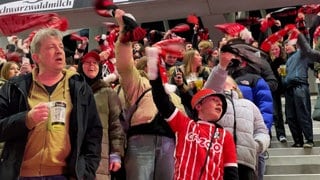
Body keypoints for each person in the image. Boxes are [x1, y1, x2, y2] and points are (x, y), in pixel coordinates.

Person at [0, 28, 103, 179]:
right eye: (51, 47)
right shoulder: (14, 87)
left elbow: (93, 132)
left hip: (64, 175)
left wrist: (85, 171)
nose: (59, 51)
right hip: (21, 175)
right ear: (36, 57)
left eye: (60, 46)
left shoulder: (80, 88)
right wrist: (26, 119)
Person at [146, 47, 239, 180]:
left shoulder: (225, 136)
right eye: (214, 100)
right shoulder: (185, 125)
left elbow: (231, 173)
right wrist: (153, 67)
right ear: (199, 105)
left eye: (222, 104)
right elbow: (161, 100)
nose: (220, 104)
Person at [114, 9, 186, 180]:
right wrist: (125, 37)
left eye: (159, 63)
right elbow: (124, 65)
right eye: (153, 63)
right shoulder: (138, 83)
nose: (158, 65)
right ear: (144, 68)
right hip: (141, 139)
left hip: (170, 142)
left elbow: (183, 120)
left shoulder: (172, 92)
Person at [78, 50, 125, 180]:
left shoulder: (108, 92)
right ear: (81, 66)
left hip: (101, 152)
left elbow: (116, 125)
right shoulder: (73, 89)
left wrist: (116, 153)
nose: (91, 66)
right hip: (75, 153)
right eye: (87, 62)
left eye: (95, 63)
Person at [282, 28, 320, 148]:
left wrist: (298, 34)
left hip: (300, 87)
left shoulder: (302, 53)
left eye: (287, 44)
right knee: (291, 117)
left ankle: (309, 140)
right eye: (284, 45)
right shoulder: (287, 60)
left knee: (303, 114)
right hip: (289, 89)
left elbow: (306, 44)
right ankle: (298, 140)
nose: (285, 47)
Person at [268, 42, 287, 143]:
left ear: (280, 50)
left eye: (276, 49)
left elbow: (283, 76)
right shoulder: (267, 62)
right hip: (269, 90)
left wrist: (282, 74)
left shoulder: (282, 61)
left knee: (277, 113)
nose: (275, 51)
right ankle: (269, 135)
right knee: (272, 113)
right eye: (273, 50)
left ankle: (281, 134)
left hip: (277, 90)